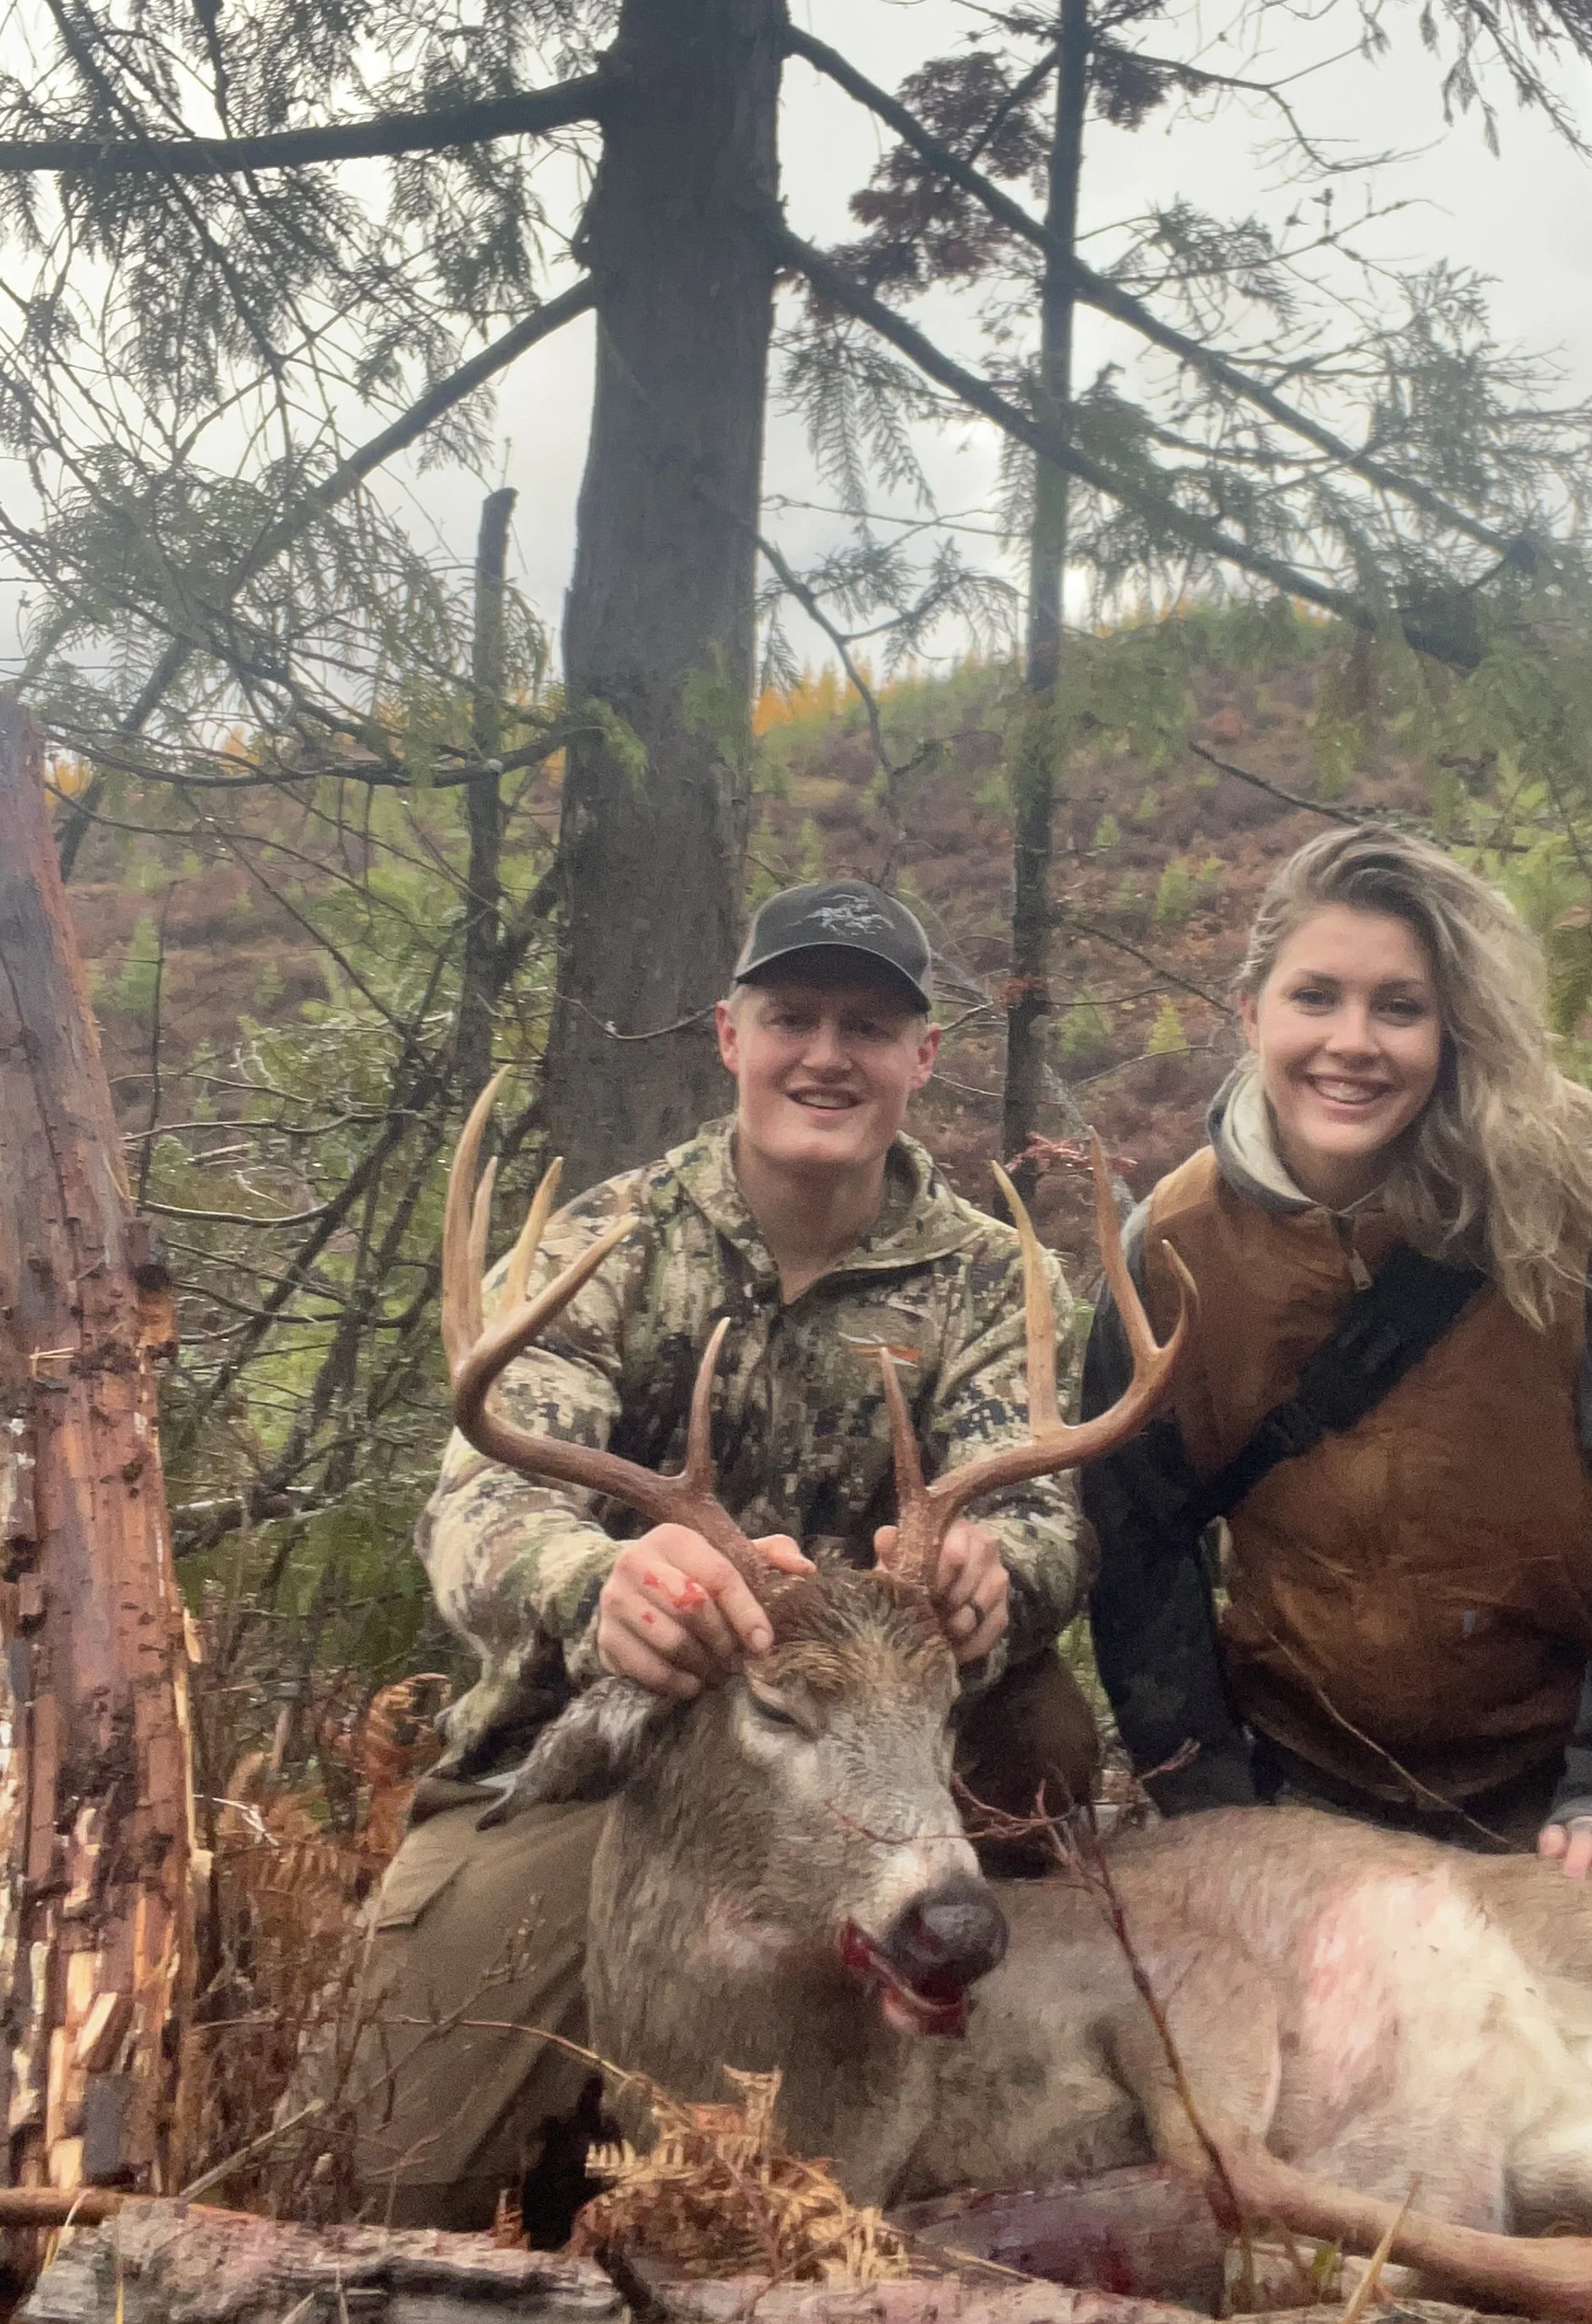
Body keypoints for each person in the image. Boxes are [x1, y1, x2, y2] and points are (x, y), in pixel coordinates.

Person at [341, 878, 1099, 2229]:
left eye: (868, 1026)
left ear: (922, 1056)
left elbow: (1050, 1521)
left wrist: (998, 1572)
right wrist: (600, 1589)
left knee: (1044, 1729)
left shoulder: (994, 1279)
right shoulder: (603, 1250)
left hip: (893, 1752)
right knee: (409, 2172)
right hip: (618, 1763)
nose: (827, 1055)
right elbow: (476, 1514)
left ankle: (946, 1997)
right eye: (792, 1016)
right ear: (730, 1034)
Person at [1082, 826, 1592, 1892]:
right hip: (1308, 1789)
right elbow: (1136, 1540)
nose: (1351, 1042)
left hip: (1569, 1791)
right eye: (1315, 998)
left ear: (1453, 1031)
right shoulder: (1171, 1249)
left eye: (1400, 1008)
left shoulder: (1565, 1216)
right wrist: (1211, 1802)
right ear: (1251, 1013)